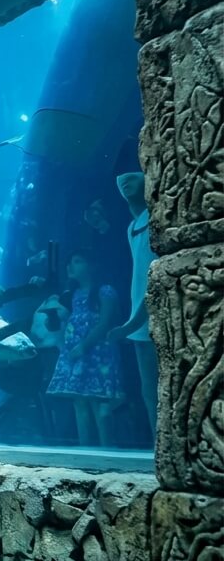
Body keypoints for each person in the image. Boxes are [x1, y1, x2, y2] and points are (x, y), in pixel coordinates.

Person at [44, 250, 124, 447]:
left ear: (92, 266)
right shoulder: (72, 295)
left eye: (78, 261)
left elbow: (105, 323)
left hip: (97, 355)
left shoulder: (105, 291)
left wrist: (83, 346)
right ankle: (84, 451)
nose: (71, 266)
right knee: (79, 403)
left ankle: (107, 455)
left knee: (99, 405)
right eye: (70, 262)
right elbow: (64, 323)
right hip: (75, 354)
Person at [106, 171, 158, 433]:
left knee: (162, 387)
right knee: (149, 389)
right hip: (139, 320)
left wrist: (130, 324)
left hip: (153, 315)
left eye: (133, 178)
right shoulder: (132, 227)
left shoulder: (156, 219)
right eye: (121, 180)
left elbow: (155, 276)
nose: (124, 181)